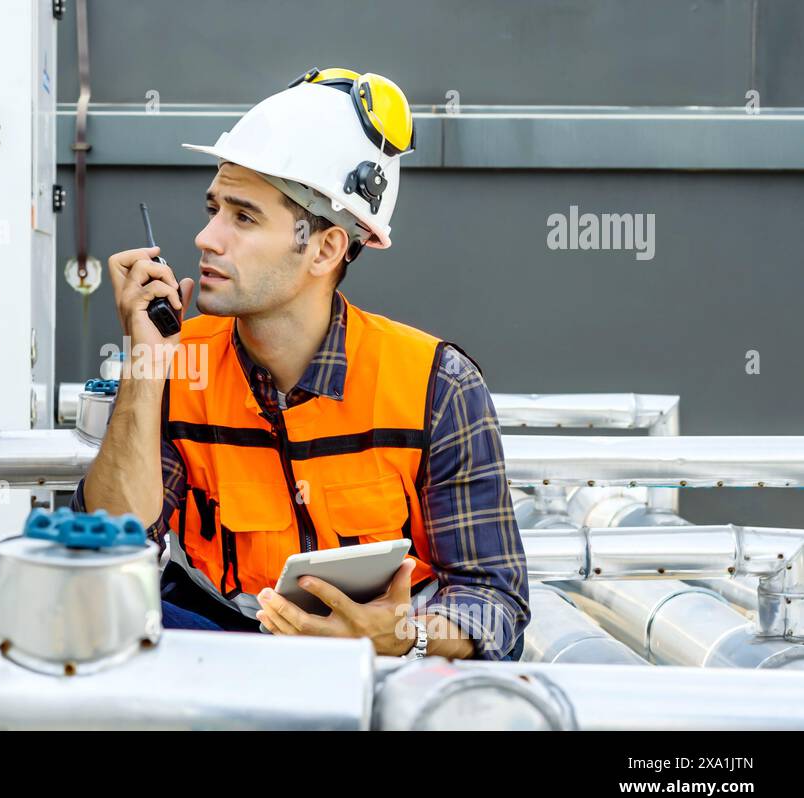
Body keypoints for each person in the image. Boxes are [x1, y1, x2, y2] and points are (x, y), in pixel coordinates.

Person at [70, 68, 529, 661]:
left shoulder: (434, 385)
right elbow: (108, 547)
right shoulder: (177, 365)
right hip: (215, 657)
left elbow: (494, 598)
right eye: (214, 209)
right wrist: (143, 368)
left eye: (243, 216)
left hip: (378, 669)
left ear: (324, 248)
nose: (207, 237)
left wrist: (406, 635)